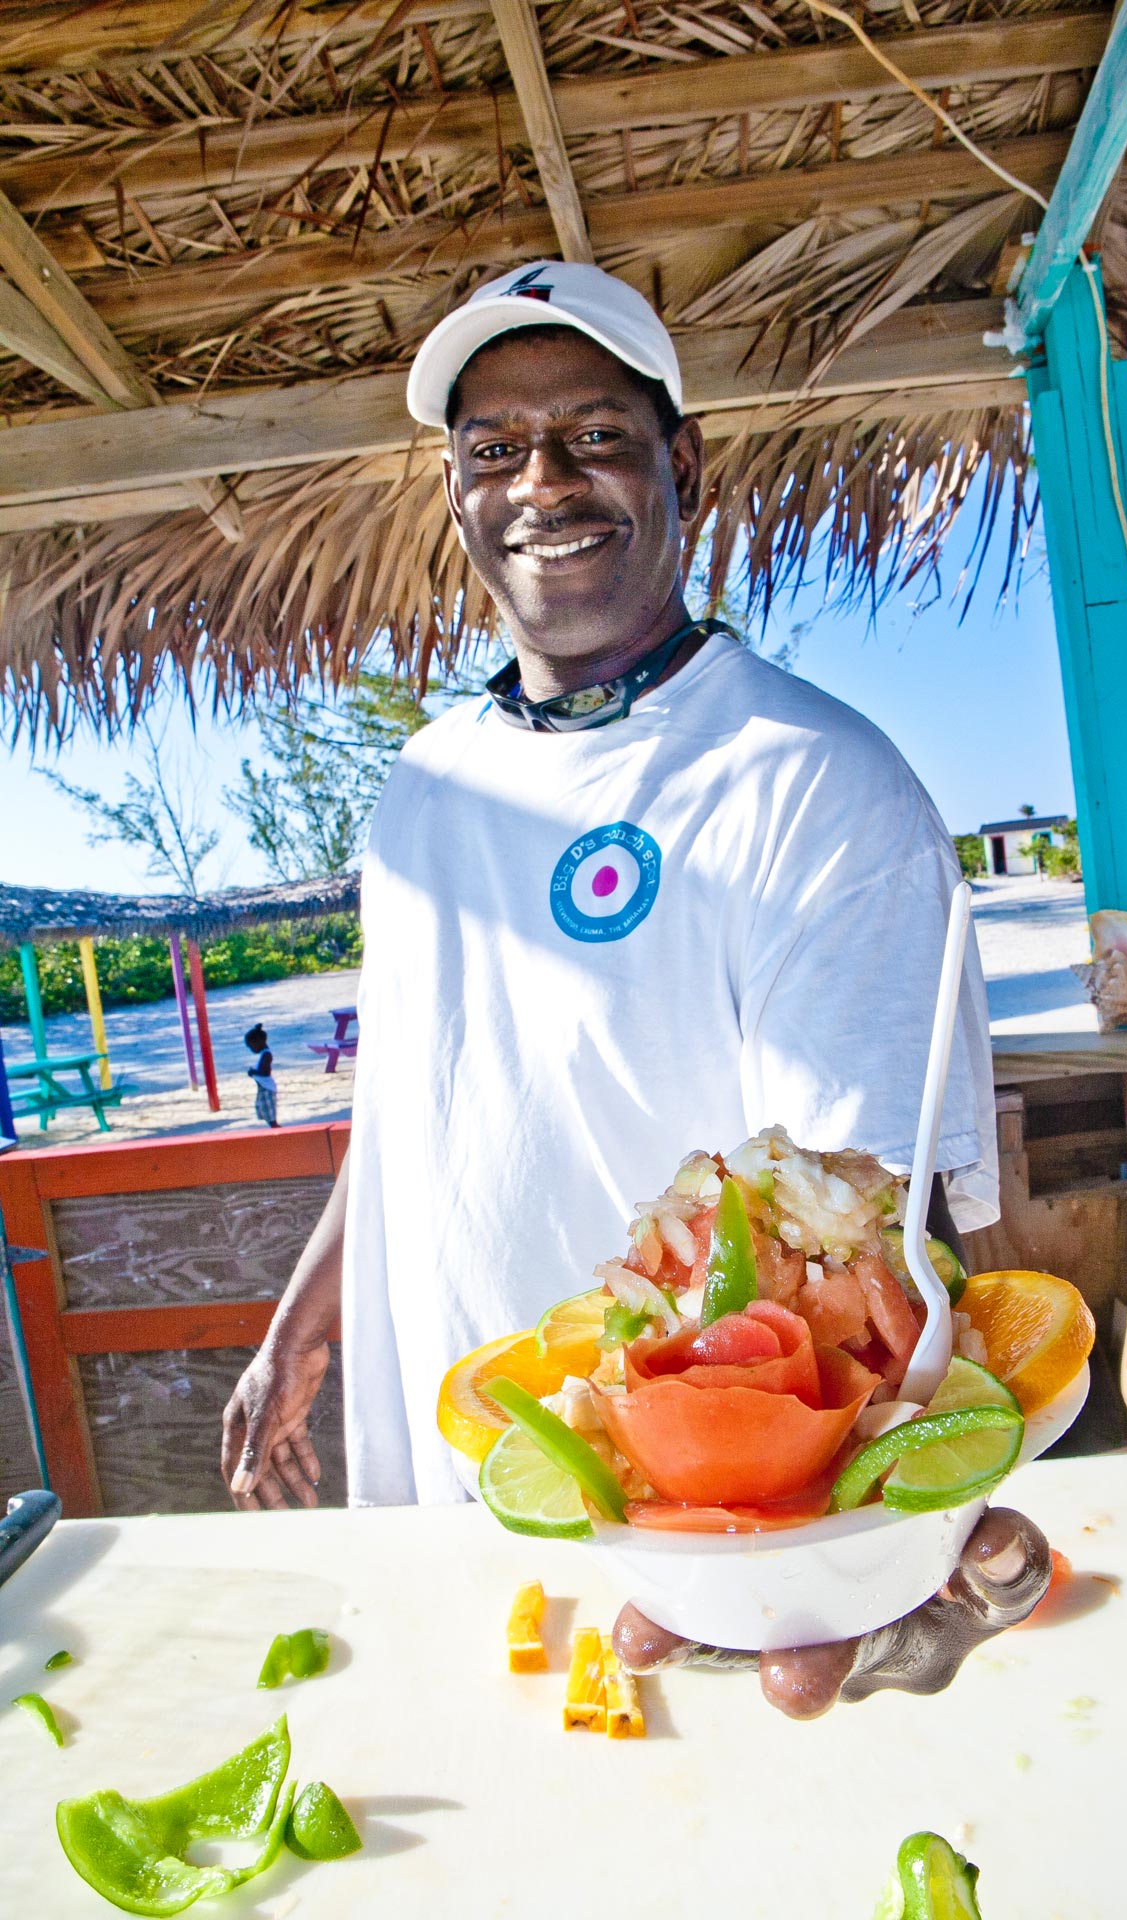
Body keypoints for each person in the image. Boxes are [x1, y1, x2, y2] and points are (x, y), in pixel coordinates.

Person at [221, 261, 1050, 1714]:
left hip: (688, 1553)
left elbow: (863, 1233)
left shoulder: (813, 785)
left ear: (683, 464)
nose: (543, 480)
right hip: (436, 1490)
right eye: (495, 450)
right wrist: (308, 1317)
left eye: (594, 433)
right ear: (459, 494)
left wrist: (856, 1542)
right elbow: (410, 1097)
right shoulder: (422, 787)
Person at [244, 1023, 278, 1129]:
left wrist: (253, 1072)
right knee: (262, 1109)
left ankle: (275, 1127)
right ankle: (272, 1126)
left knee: (269, 1111)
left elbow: (265, 1072)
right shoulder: (264, 1054)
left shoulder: (267, 1054)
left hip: (267, 1088)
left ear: (259, 1042)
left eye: (251, 1046)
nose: (252, 1049)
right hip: (263, 1087)